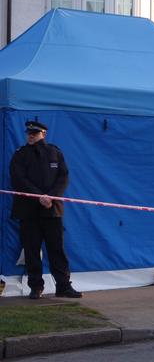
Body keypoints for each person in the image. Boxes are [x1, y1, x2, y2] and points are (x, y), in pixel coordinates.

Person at [10, 121, 82, 299]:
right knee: (32, 250)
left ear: (43, 133)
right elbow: (18, 179)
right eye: (29, 133)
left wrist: (51, 196)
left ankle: (63, 286)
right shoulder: (20, 155)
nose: (31, 136)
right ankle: (35, 287)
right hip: (29, 211)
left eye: (34, 133)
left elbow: (63, 177)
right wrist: (39, 196)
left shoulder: (55, 152)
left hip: (52, 210)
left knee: (57, 250)